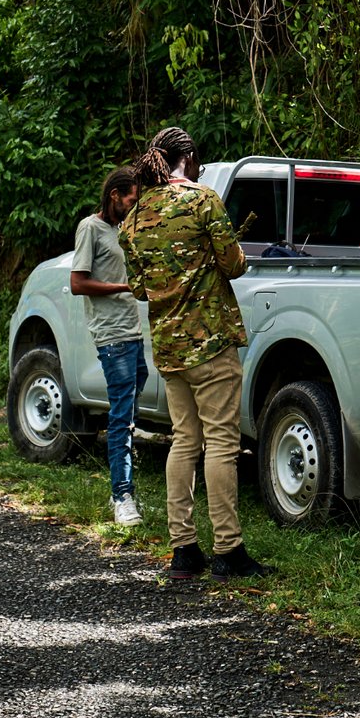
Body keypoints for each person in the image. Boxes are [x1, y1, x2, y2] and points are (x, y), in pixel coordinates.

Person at [117, 126, 271, 583]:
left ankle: (183, 550)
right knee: (221, 443)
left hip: (169, 346)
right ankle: (228, 550)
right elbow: (235, 265)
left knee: (184, 440)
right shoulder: (202, 202)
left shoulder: (135, 217)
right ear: (189, 158)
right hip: (211, 344)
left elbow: (141, 289)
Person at [70, 167, 147, 526]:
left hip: (132, 332)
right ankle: (121, 497)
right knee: (122, 418)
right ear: (115, 195)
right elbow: (77, 283)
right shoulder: (91, 227)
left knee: (129, 411)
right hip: (112, 335)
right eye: (131, 199)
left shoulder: (122, 230)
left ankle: (125, 477)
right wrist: (122, 288)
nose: (134, 205)